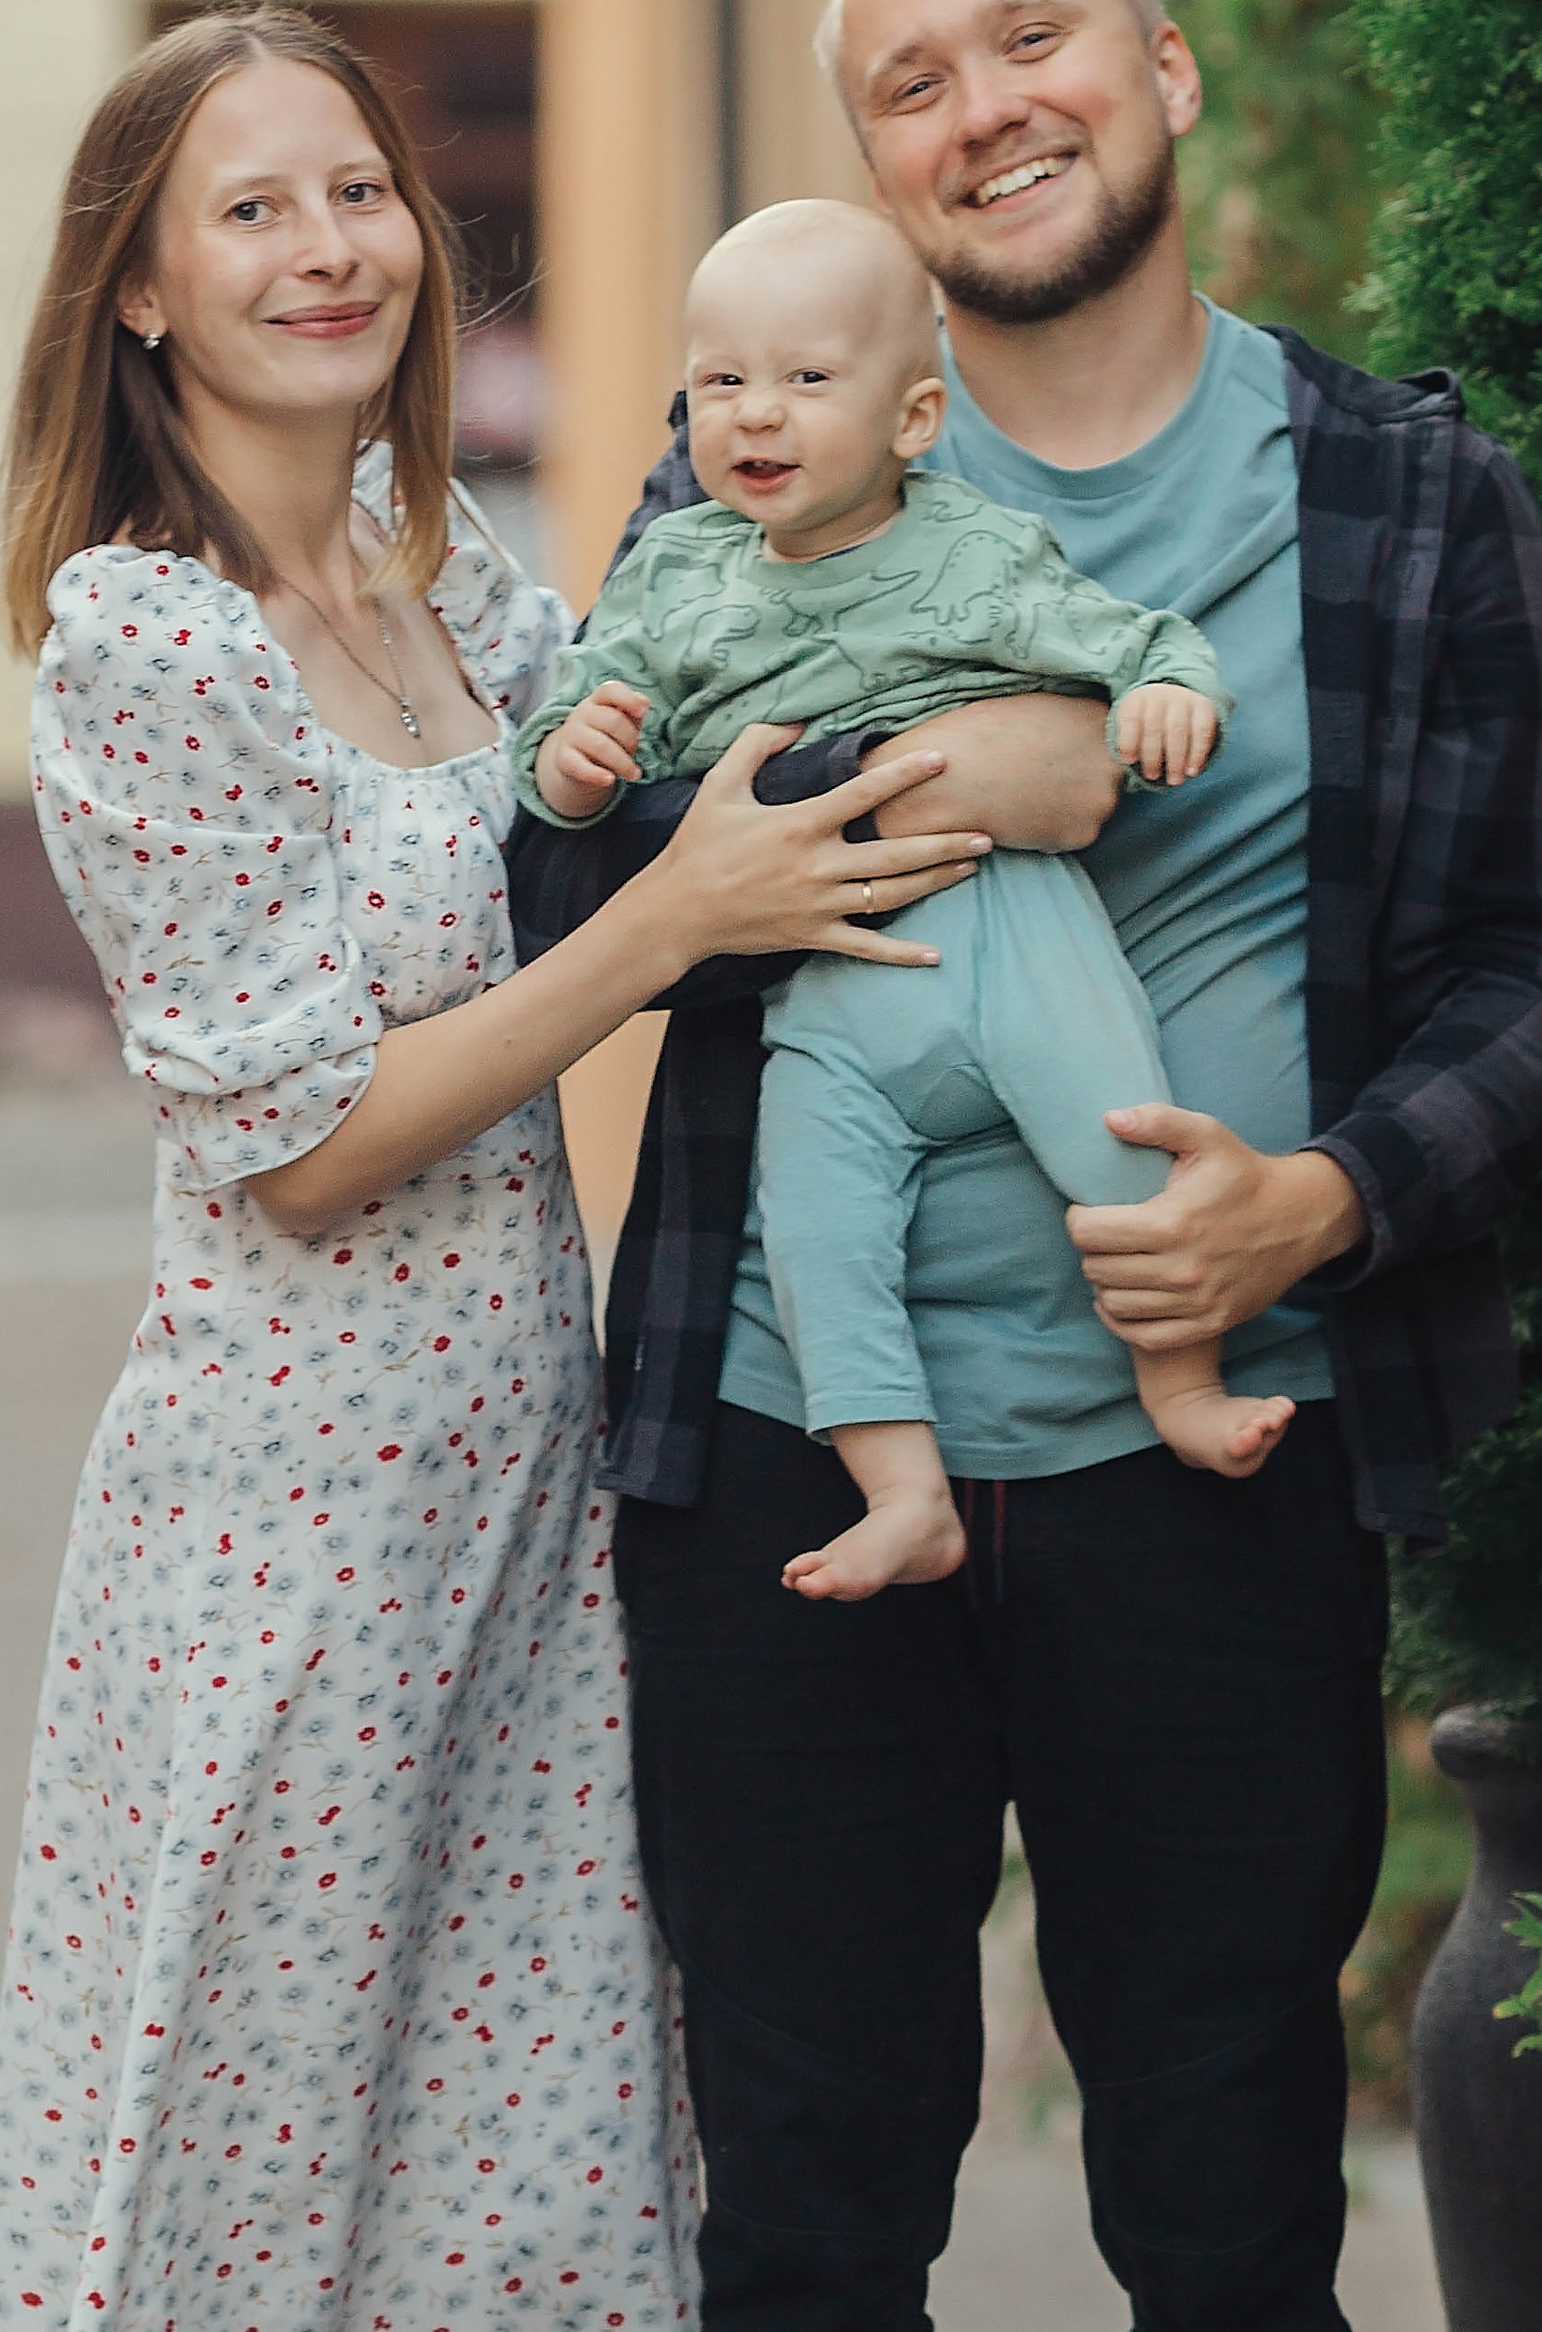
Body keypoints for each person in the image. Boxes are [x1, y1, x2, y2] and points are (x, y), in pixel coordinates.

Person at [507, 0, 1542, 2332]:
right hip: (787, 1459)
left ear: (1155, 65)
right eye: (911, 77)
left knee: (1232, 2229)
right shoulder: (780, 445)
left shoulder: (1398, 492)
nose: (985, 105)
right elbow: (565, 881)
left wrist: (1331, 1189)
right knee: (810, 2241)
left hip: (1201, 1472)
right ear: (867, 181)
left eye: (1031, 40)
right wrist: (743, 813)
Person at [0, 2, 990, 2332]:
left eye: (364, 189)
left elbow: (697, 735)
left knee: (458, 2213)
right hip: (278, 1544)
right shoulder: (143, 644)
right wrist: (667, 929)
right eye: (253, 207)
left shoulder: (442, 574)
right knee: (246, 2226)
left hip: (518, 1518)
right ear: (140, 282)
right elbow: (299, 1142)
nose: (333, 246)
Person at [516, 195, 1291, 1602]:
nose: (758, 414)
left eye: (810, 381)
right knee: (816, 1233)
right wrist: (575, 762)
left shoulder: (973, 550)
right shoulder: (676, 576)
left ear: (913, 419)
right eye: (721, 382)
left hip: (1009, 933)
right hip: (830, 981)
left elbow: (1131, 643)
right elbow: (568, 751)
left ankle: (1181, 1385)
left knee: (1124, 1147)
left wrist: (1170, 690)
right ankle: (901, 1488)